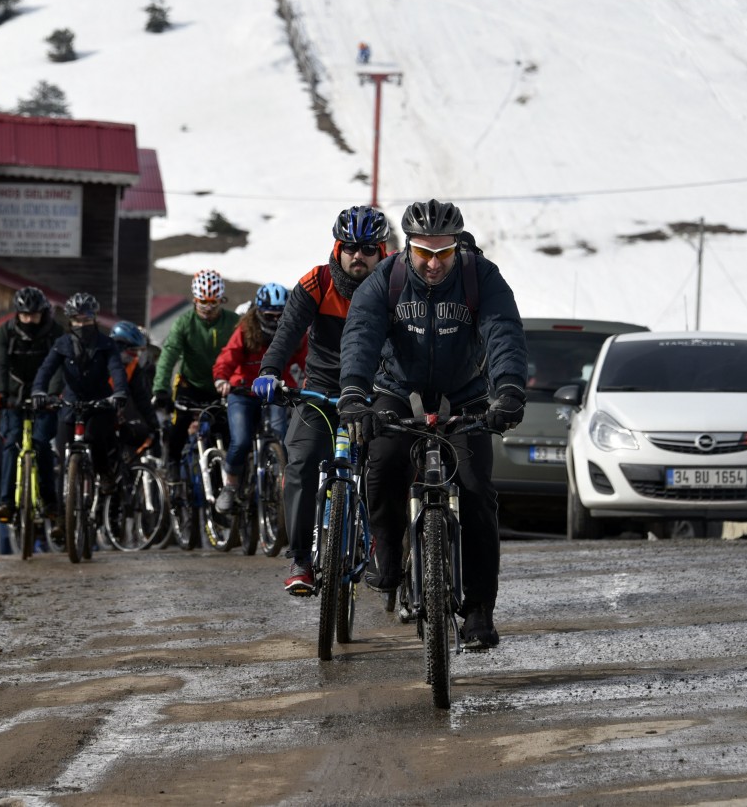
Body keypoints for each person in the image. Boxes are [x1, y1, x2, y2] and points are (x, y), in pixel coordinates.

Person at [337, 199, 528, 649]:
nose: (434, 263)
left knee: (479, 492)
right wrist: (352, 392)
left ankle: (479, 609)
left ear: (458, 247)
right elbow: (361, 335)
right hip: (396, 389)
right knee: (382, 465)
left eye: (444, 253)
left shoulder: (481, 277)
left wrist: (510, 391)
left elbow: (503, 332)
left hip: (466, 395)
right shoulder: (386, 280)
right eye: (424, 253)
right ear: (407, 248)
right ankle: (387, 559)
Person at [252, 206, 390, 595]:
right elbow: (288, 332)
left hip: (375, 392)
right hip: (321, 390)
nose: (357, 256)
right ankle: (300, 559)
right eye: (349, 247)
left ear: (381, 250)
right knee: (300, 462)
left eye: (367, 248)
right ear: (337, 248)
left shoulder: (395, 284)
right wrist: (268, 372)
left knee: (387, 465)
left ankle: (387, 551)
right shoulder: (316, 282)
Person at [213, 283, 306, 512]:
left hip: (276, 391)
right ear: (258, 312)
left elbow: (308, 361)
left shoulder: (296, 332)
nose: (274, 320)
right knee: (241, 440)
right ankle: (231, 486)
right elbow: (228, 357)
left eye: (279, 315)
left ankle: (281, 482)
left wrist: (310, 380)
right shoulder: (245, 330)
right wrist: (221, 379)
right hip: (242, 393)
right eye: (269, 315)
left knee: (283, 437)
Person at [31, 293, 129, 490]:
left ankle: (104, 475)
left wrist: (119, 393)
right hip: (70, 404)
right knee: (61, 450)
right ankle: (64, 507)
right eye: (77, 320)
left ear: (94, 318)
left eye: (86, 319)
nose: (82, 325)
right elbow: (46, 369)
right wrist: (38, 391)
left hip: (100, 403)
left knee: (95, 437)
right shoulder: (62, 344)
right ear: (70, 320)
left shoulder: (106, 344)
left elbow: (117, 370)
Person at [152, 270, 240, 477]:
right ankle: (172, 466)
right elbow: (169, 355)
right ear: (195, 300)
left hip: (222, 387)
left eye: (213, 303)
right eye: (203, 302)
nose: (208, 309)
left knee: (226, 434)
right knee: (179, 425)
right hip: (189, 385)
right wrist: (160, 389)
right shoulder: (184, 322)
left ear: (221, 300)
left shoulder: (233, 321)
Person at [0, 286, 65, 527]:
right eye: (24, 315)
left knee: (41, 443)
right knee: (12, 443)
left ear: (43, 313)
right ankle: (7, 504)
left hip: (44, 392)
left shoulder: (55, 332)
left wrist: (52, 394)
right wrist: (0, 392)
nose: (29, 320)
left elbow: (58, 364)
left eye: (34, 315)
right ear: (17, 314)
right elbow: (0, 363)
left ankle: (49, 501)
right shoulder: (6, 331)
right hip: (15, 393)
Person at [110, 320, 162, 460]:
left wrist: (154, 426)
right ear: (118, 346)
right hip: (93, 414)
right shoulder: (99, 359)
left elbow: (142, 398)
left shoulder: (133, 367)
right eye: (132, 352)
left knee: (141, 436)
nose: (136, 356)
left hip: (116, 416)